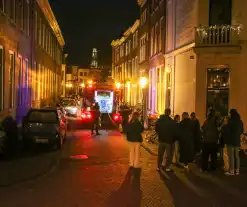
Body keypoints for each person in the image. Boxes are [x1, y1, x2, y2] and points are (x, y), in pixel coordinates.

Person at [224, 109, 244, 175]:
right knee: (237, 155)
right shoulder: (240, 121)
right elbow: (242, 131)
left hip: (230, 140)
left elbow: (227, 130)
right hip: (237, 140)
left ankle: (232, 170)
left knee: (231, 155)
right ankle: (237, 170)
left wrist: (225, 124)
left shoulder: (230, 121)